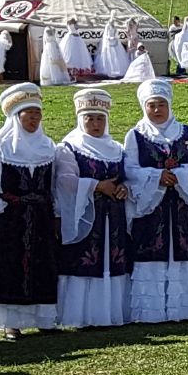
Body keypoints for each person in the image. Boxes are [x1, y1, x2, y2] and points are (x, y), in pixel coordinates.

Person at [0, 83, 73, 337]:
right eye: (29, 113)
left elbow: (52, 185)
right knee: (10, 265)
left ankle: (45, 319)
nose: (34, 118)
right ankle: (11, 322)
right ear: (16, 116)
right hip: (11, 217)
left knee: (44, 264)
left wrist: (56, 214)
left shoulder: (47, 146)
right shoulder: (2, 147)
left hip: (41, 217)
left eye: (37, 113)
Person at [124, 80, 188, 321]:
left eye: (161, 104)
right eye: (151, 105)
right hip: (152, 209)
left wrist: (180, 175)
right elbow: (129, 169)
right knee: (152, 251)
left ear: (169, 105)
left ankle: (187, 308)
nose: (157, 110)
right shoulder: (136, 136)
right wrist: (156, 177)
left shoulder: (186, 133)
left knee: (184, 250)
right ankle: (152, 311)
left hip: (182, 206)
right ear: (144, 107)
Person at [56, 87, 134, 329]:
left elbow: (127, 176)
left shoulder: (117, 149)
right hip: (85, 215)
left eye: (100, 118)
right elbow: (65, 181)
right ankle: (82, 314)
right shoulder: (69, 147)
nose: (95, 124)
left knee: (113, 258)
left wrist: (124, 188)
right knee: (85, 259)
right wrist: (97, 186)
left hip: (114, 216)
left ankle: (111, 312)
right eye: (90, 118)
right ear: (81, 119)